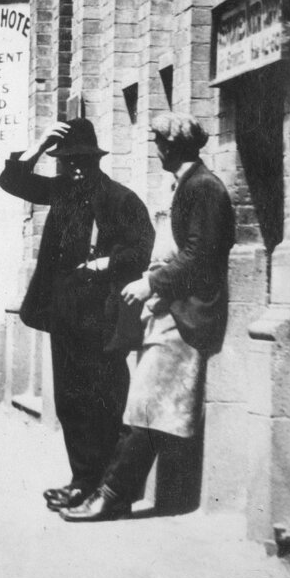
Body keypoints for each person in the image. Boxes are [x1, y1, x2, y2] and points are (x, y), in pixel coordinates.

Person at [61, 113, 235, 521]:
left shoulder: (205, 188)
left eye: (158, 141)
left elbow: (200, 257)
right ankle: (112, 493)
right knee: (145, 407)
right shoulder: (190, 185)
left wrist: (151, 284)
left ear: (171, 146)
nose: (155, 149)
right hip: (171, 311)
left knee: (144, 405)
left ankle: (110, 497)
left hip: (188, 315)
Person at [0, 117, 154, 513]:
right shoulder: (61, 192)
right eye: (67, 161)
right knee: (70, 401)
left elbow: (141, 249)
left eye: (83, 160)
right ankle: (82, 480)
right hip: (64, 315)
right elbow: (12, 182)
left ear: (96, 159)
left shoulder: (120, 199)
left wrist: (107, 264)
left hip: (102, 316)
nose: (75, 168)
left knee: (103, 399)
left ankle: (106, 487)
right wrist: (36, 146)